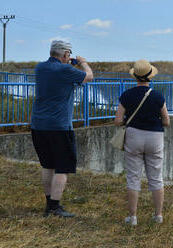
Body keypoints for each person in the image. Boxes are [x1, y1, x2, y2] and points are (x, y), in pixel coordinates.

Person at [31, 40, 93, 217]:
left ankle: (48, 203)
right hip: (59, 126)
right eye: (69, 54)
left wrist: (69, 65)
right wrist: (83, 63)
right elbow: (89, 77)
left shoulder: (40, 68)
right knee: (62, 167)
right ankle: (55, 207)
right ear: (66, 54)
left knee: (47, 165)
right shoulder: (65, 70)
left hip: (38, 125)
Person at [114, 59, 170, 226]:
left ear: (135, 77)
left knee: (133, 177)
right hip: (155, 138)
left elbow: (117, 121)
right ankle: (158, 215)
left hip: (134, 136)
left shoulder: (127, 95)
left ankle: (132, 218)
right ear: (150, 76)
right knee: (156, 178)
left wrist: (127, 121)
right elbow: (166, 121)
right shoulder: (158, 96)